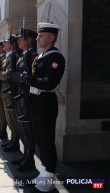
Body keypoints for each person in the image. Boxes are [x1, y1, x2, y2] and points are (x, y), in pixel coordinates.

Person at [27, 23, 65, 192]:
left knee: (46, 139)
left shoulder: (55, 58)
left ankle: (49, 175)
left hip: (46, 103)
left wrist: (28, 80)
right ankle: (44, 170)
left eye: (41, 35)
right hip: (36, 101)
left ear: (52, 37)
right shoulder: (41, 57)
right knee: (40, 138)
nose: (38, 38)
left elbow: (49, 83)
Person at [10, 28, 38, 172]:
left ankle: (30, 159)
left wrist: (18, 76)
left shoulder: (33, 56)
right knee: (21, 127)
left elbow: (29, 77)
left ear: (29, 40)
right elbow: (15, 75)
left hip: (27, 97)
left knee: (27, 129)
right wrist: (18, 76)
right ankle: (26, 155)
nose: (18, 41)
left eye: (21, 38)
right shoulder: (22, 56)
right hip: (20, 96)